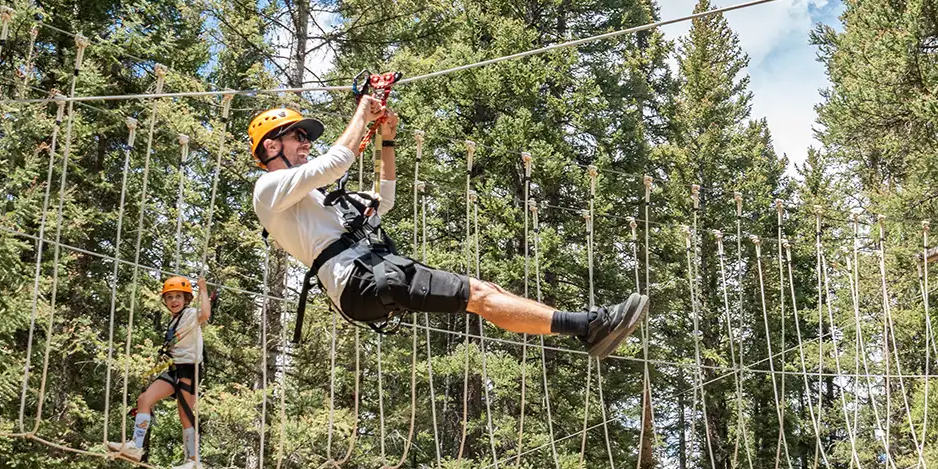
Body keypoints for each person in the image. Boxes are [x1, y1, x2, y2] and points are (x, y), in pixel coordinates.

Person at [248, 96, 647, 357]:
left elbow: (384, 199)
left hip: (369, 274)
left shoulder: (317, 200)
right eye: (298, 136)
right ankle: (591, 325)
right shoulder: (268, 190)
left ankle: (586, 327)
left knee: (487, 292)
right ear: (271, 146)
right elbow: (336, 162)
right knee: (478, 294)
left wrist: (388, 140)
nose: (306, 142)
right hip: (359, 279)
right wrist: (362, 113)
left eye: (306, 137)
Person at [107, 275, 210, 469]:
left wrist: (203, 289)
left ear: (186, 299)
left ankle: (193, 461)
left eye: (178, 296)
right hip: (173, 369)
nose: (174, 300)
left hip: (189, 369)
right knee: (144, 399)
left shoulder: (190, 314)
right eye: (169, 297)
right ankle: (136, 446)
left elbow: (205, 314)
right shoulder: (173, 321)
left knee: (185, 413)